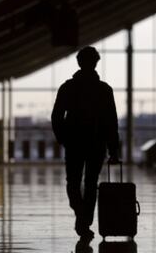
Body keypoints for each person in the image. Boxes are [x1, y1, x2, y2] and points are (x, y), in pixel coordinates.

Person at [51, 46, 120, 241]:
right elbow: (111, 122)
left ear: (79, 63)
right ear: (96, 63)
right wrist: (113, 149)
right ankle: (84, 220)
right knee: (91, 184)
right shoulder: (104, 90)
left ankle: (81, 218)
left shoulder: (68, 87)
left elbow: (56, 116)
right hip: (96, 143)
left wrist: (63, 138)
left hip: (74, 143)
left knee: (73, 183)